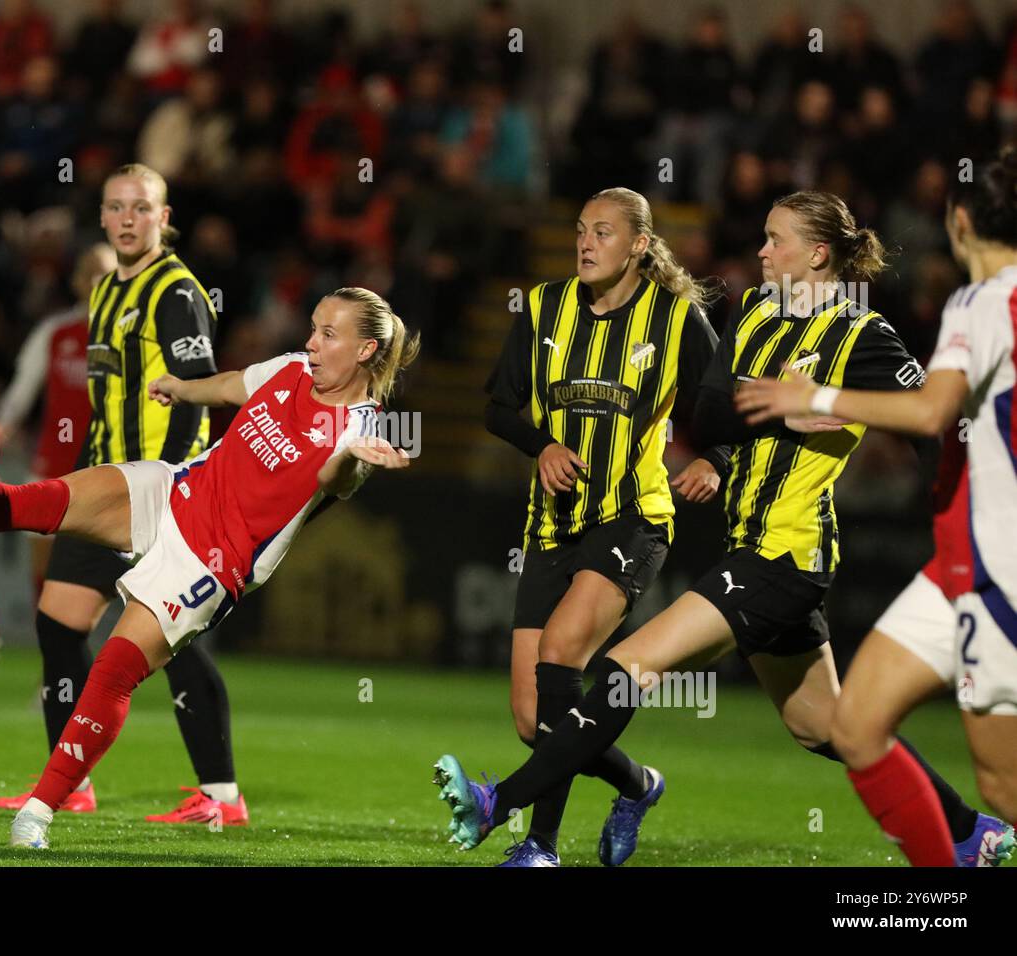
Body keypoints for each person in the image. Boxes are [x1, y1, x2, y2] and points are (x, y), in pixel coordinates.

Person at [434, 192, 1009, 867]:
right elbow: (709, 413)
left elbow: (934, 427)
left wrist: (967, 521)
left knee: (624, 669)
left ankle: (501, 802)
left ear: (818, 253)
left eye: (776, 239)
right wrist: (783, 413)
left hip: (786, 555)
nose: (761, 251)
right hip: (750, 545)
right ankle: (973, 832)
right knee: (826, 726)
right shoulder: (758, 313)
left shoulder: (862, 337)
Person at [0, 286, 418, 850]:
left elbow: (332, 477)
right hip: (176, 490)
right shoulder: (293, 369)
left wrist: (353, 464)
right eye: (313, 328)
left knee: (111, 671)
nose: (311, 342)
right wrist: (183, 390)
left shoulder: (360, 431)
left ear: (365, 350)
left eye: (327, 334)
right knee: (41, 501)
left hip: (210, 564)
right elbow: (238, 384)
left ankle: (39, 812)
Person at [736, 151, 1017, 865]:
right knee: (855, 725)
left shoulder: (982, 301)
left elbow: (930, 412)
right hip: (960, 559)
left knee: (1004, 786)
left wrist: (814, 398)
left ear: (959, 223)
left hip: (999, 562)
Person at [0, 164, 249, 826]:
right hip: (108, 487)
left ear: (165, 219)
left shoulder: (177, 292)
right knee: (57, 625)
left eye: (143, 208)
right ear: (102, 219)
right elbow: (105, 407)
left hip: (163, 494)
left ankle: (220, 798)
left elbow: (197, 389)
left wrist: (175, 483)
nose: (129, 218)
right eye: (116, 207)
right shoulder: (104, 293)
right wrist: (72, 489)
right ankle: (69, 784)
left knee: (176, 641)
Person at [484, 187, 728, 866]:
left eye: (604, 232)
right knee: (535, 722)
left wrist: (714, 456)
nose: (586, 243)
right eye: (581, 231)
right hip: (551, 524)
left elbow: (728, 405)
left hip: (633, 515)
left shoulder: (675, 319)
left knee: (561, 652)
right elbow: (498, 409)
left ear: (639, 246)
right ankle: (638, 784)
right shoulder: (543, 307)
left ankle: (539, 845)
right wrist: (543, 446)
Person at [0, 243, 114, 598]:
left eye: (105, 273)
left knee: (100, 576)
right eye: (89, 272)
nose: (96, 280)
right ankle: (54, 648)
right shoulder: (55, 332)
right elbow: (22, 391)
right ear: (76, 281)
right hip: (53, 462)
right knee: (43, 571)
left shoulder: (135, 337)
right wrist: (0, 429)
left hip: (108, 466)